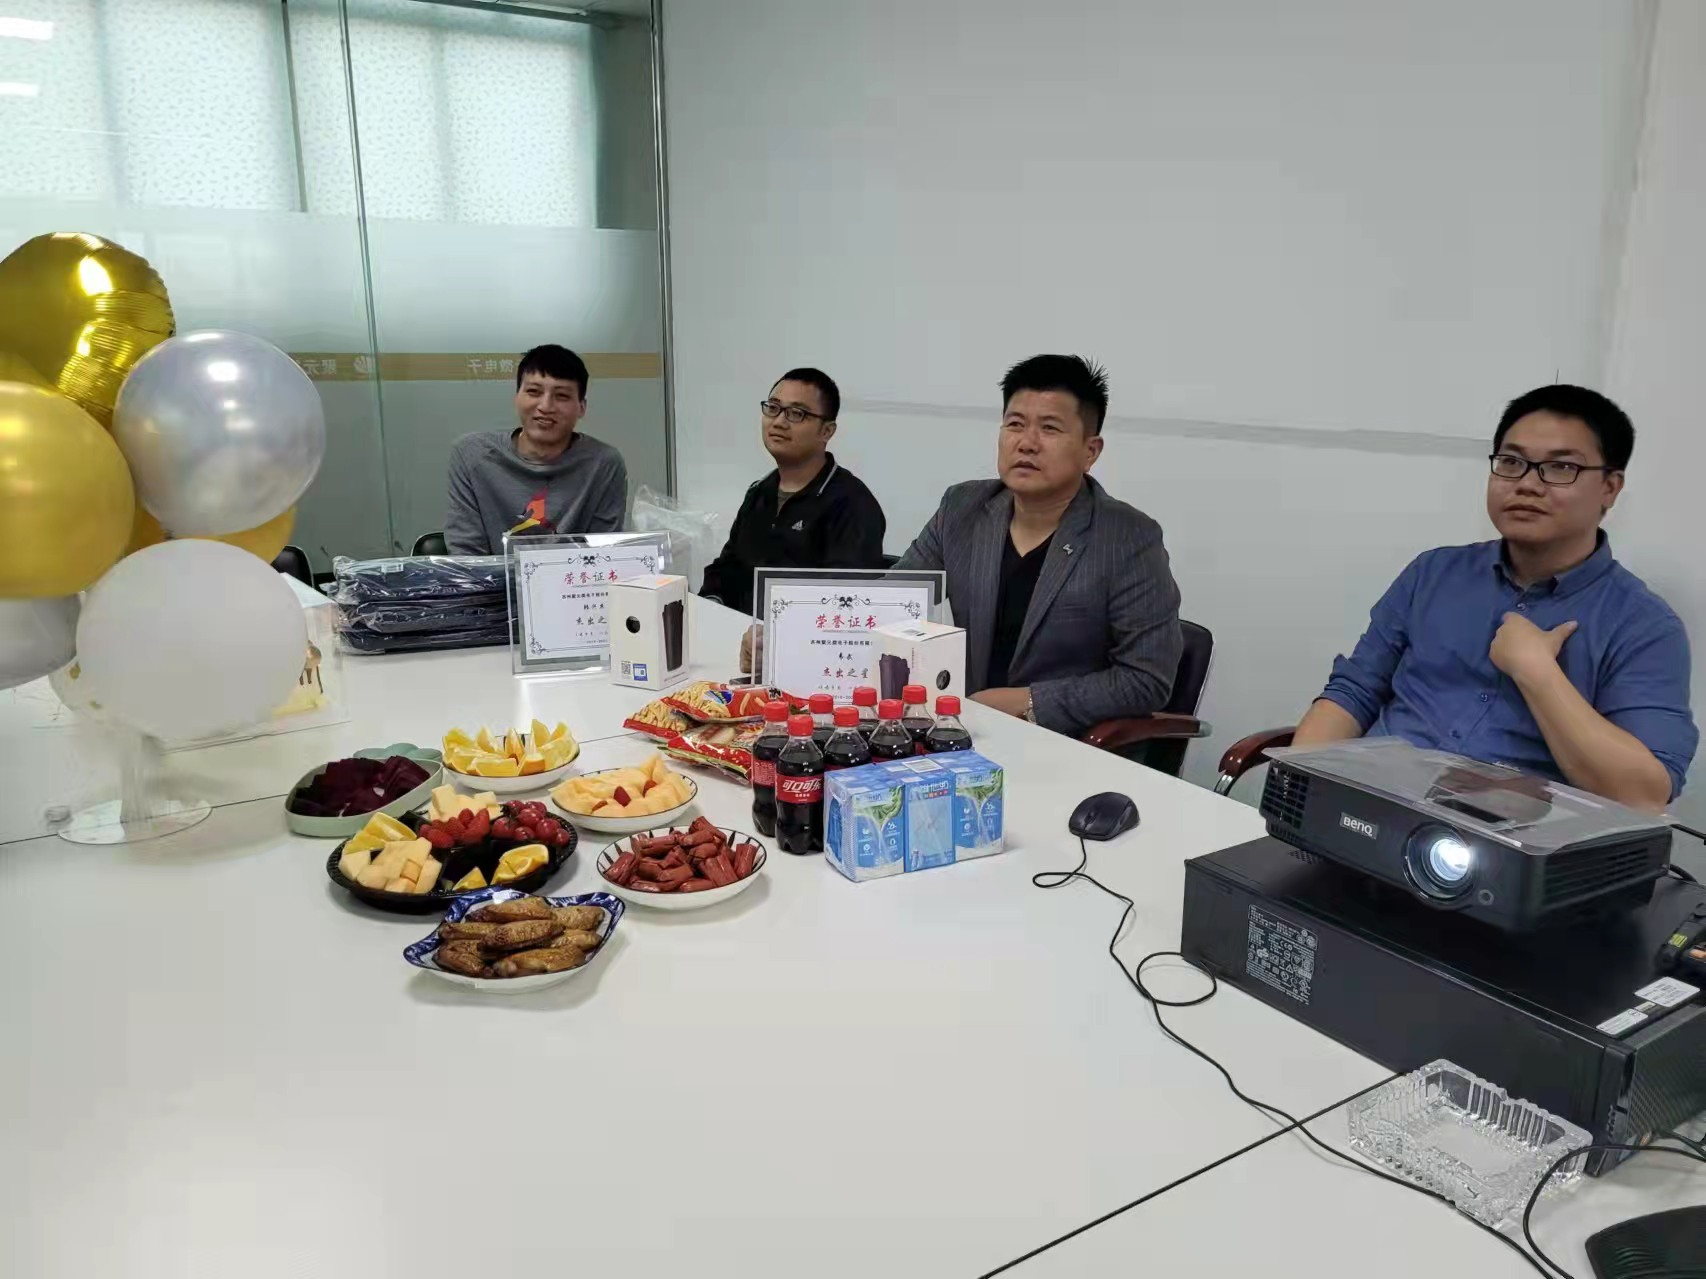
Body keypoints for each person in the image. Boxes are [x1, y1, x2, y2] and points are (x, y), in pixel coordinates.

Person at [1294, 384, 1696, 810]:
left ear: (1610, 488)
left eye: (1561, 467)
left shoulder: (1644, 625)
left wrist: (1537, 673)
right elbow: (1354, 693)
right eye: (1511, 462)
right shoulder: (1433, 572)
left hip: (1509, 840)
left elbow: (1643, 794)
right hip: (1370, 807)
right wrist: (1299, 794)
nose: (1527, 484)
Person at [893, 354, 1182, 738]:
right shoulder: (962, 508)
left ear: (1090, 451)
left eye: (1049, 428)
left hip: (1065, 742)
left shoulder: (1128, 538)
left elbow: (1146, 679)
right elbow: (894, 601)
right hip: (959, 728)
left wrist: (1028, 701)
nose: (1026, 443)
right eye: (1015, 424)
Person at [701, 367, 886, 618]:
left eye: (796, 413)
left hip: (805, 639)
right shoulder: (759, 493)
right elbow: (727, 570)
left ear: (826, 431)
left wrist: (772, 633)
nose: (779, 422)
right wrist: (711, 606)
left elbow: (844, 604)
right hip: (741, 635)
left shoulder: (852, 505)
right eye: (773, 408)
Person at [443, 344, 627, 555]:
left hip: (574, 577)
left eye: (562, 396)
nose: (546, 406)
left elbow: (603, 555)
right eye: (533, 392)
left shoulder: (603, 463)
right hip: (492, 578)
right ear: (517, 397)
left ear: (582, 407)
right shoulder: (472, 455)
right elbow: (466, 556)